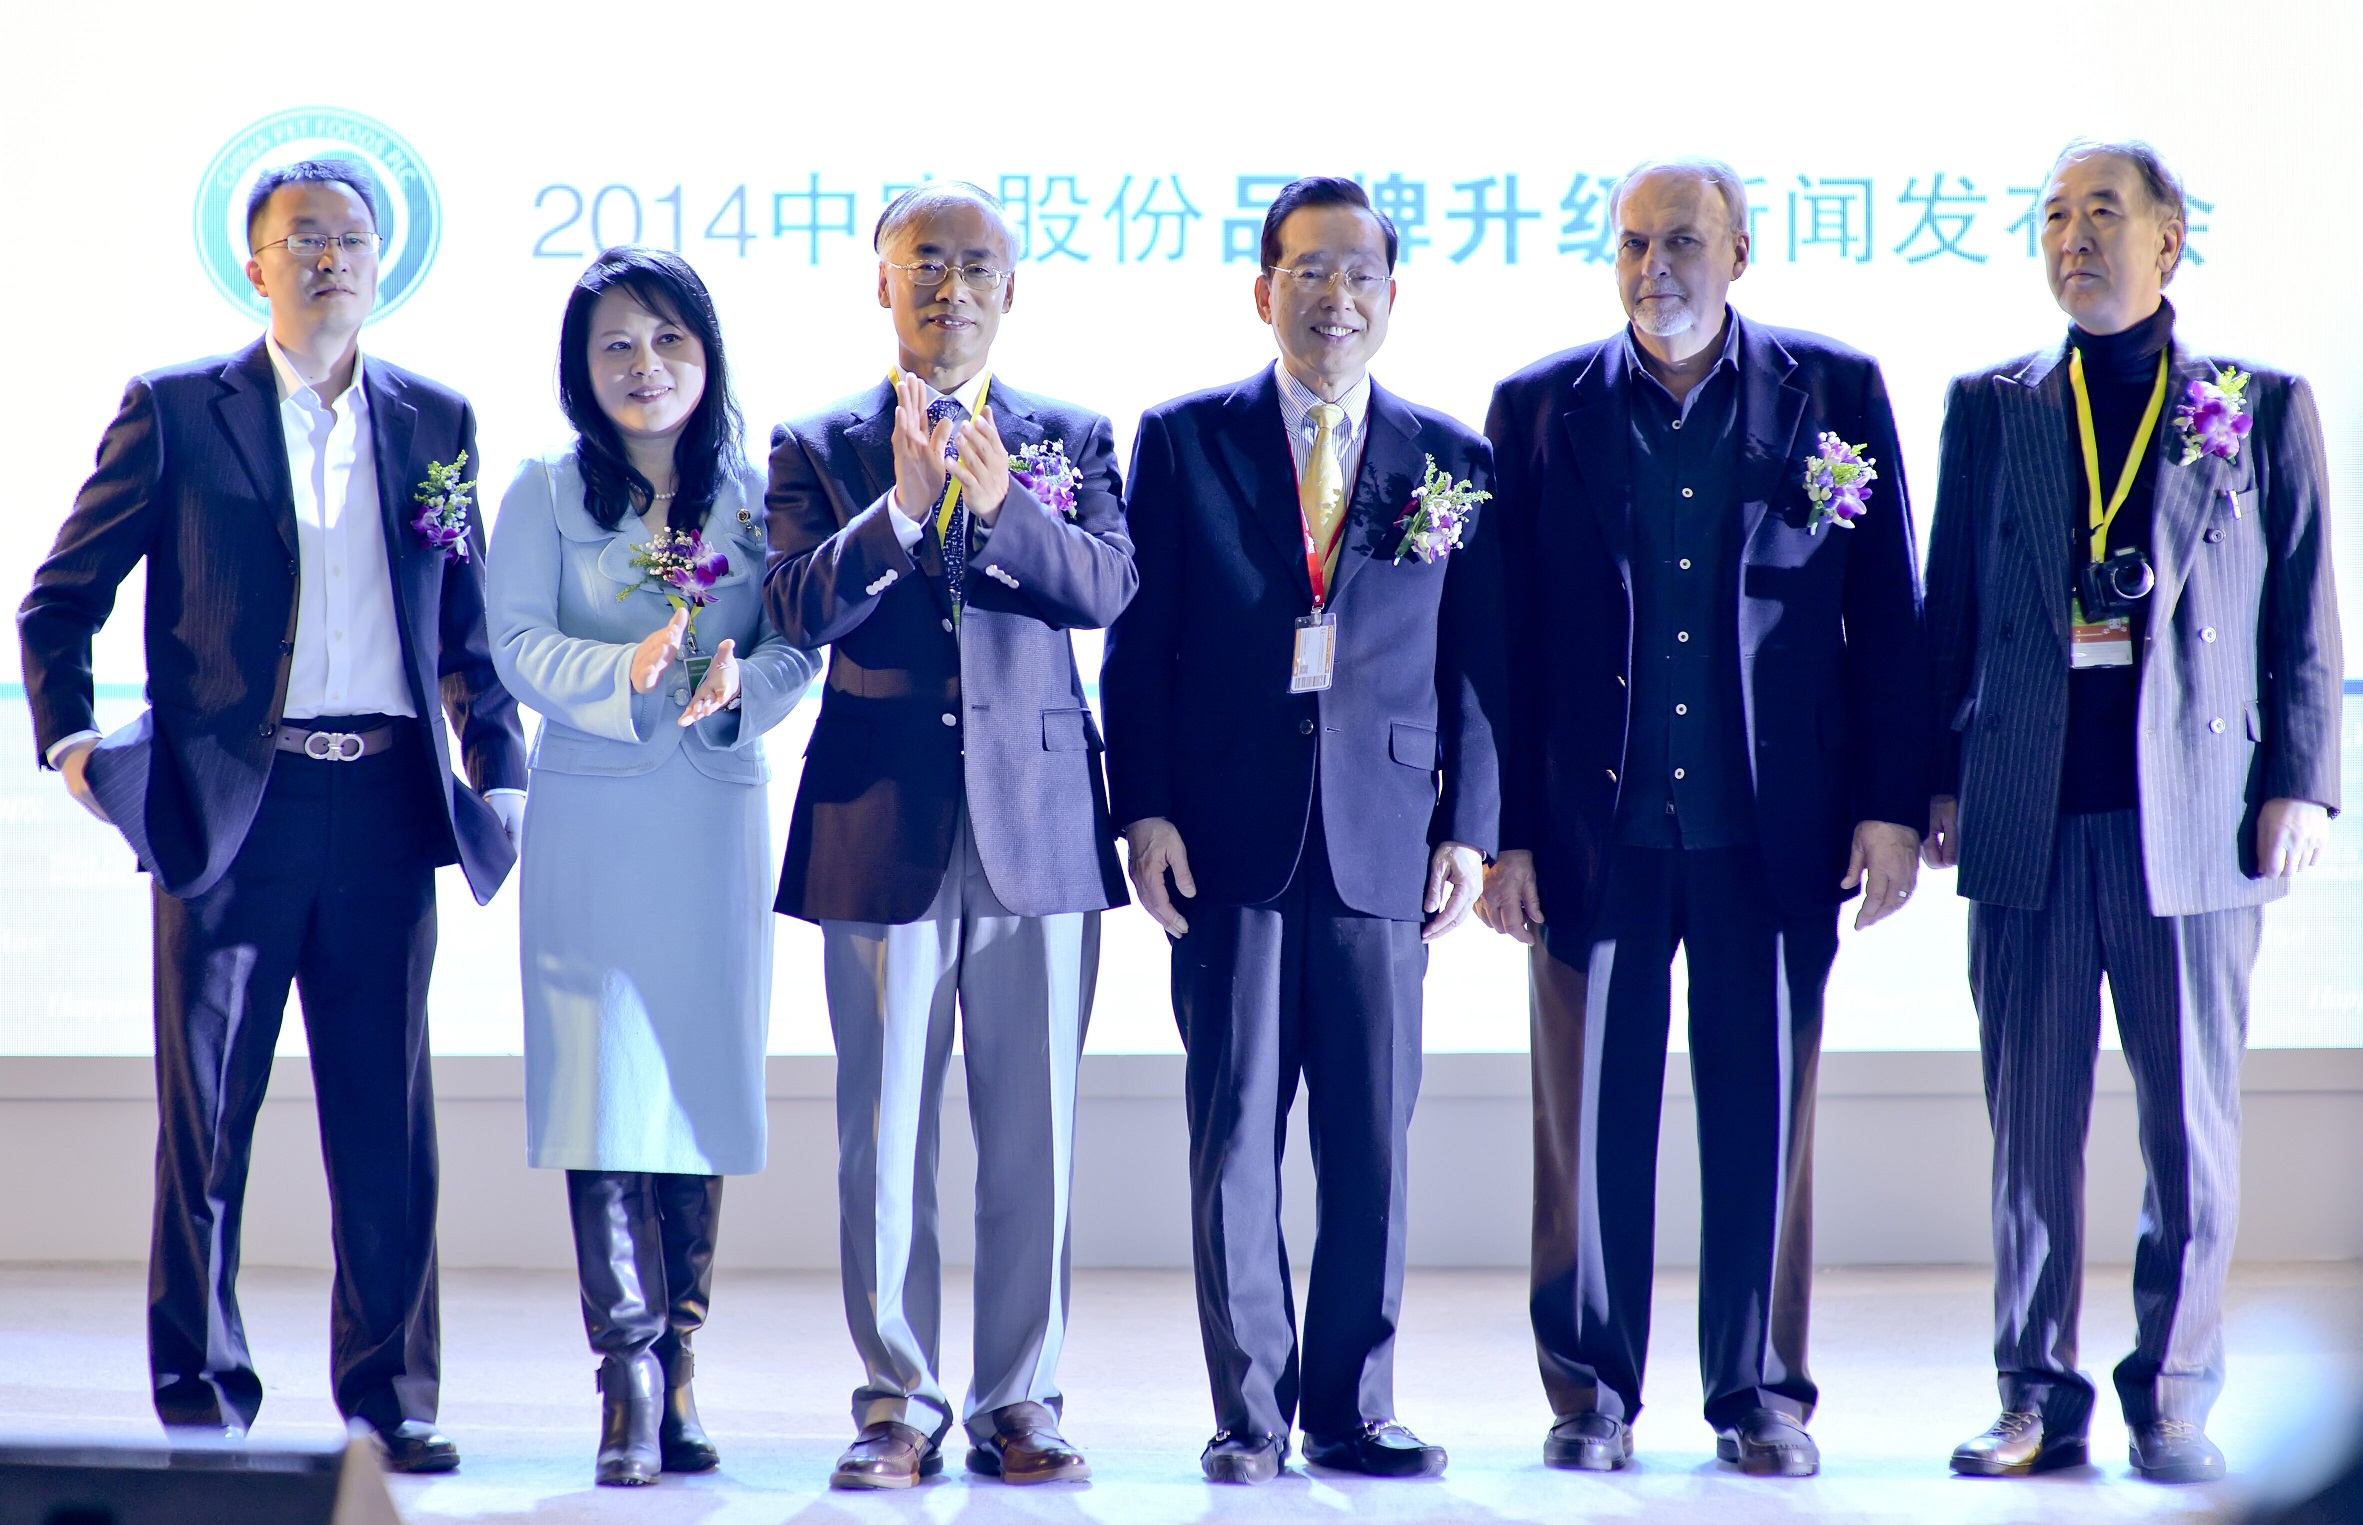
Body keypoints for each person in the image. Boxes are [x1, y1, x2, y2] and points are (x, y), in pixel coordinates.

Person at [15, 160, 527, 1471]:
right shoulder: (180, 410)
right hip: (230, 814)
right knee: (208, 1123)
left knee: (385, 1121)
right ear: (256, 265)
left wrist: (500, 770)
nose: (329, 258)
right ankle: (201, 1393)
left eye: (351, 238)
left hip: (387, 805)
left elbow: (463, 625)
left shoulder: (436, 421)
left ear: (380, 260)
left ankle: (391, 1396)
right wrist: (73, 744)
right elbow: (59, 598)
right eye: (303, 239)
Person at [1478, 158, 1931, 1478]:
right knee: (1586, 1131)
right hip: (1590, 838)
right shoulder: (1537, 408)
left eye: (1680, 241)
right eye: (1630, 244)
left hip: (1771, 831)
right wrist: (1502, 832)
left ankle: (1758, 1394)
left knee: (1761, 1124)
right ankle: (1589, 1394)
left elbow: (1884, 616)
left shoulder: (1832, 392)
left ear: (1739, 252)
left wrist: (1888, 808)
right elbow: (1499, 640)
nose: (1652, 267)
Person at [1925, 140, 2341, 1486]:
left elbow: (2302, 608)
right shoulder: (1991, 407)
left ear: (2168, 240)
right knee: (2027, 1133)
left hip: (2194, 821)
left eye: (2101, 213)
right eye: (2051, 216)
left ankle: (2170, 1395)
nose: (2072, 238)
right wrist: (1931, 783)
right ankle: (2031, 1397)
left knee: (2188, 1128)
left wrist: (2299, 780)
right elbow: (1945, 613)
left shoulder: (2252, 404)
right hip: (2026, 813)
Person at [1100, 175, 1503, 1485]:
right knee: (1233, 1137)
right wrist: (1143, 806)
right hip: (1226, 837)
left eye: (1358, 273)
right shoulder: (1184, 440)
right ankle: (1249, 1414)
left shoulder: (1449, 457)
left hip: (1386, 839)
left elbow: (1476, 663)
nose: (1336, 296)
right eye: (1309, 270)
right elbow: (1140, 644)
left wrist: (1469, 827)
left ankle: (1351, 1406)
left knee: (1369, 1139)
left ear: (1391, 293)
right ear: (1262, 289)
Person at [763, 182, 1135, 1490]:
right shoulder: (817, 443)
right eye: (925, 261)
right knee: (883, 1139)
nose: (951, 286)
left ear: (1011, 288)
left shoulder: (1068, 435)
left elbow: (1107, 587)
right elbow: (794, 607)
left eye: (977, 264)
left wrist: (1003, 506)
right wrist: (903, 514)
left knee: (1033, 1134)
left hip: (1038, 827)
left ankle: (1019, 1399)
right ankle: (896, 1403)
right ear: (882, 282)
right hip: (880, 825)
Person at [486, 247, 820, 1486]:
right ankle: (625, 1378)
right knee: (600, 1091)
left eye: (669, 339)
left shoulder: (759, 492)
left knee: (694, 1087)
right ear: (581, 368)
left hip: (711, 815)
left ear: (707, 354)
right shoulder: (541, 491)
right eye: (616, 344)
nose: (645, 365)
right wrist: (617, 671)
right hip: (595, 820)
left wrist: (744, 689)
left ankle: (679, 1367)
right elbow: (515, 642)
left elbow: (798, 641)